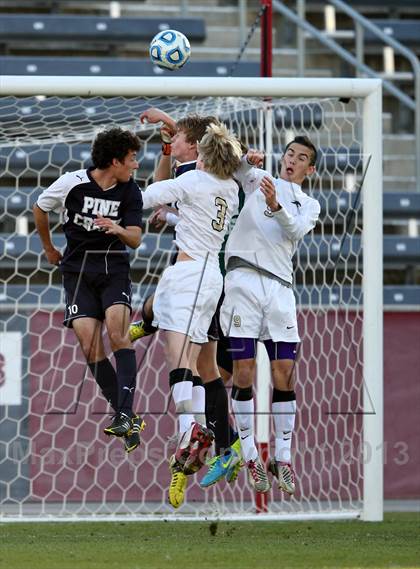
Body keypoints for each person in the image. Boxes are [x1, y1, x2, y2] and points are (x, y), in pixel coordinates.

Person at [131, 108, 244, 488]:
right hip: (211, 276)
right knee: (202, 365)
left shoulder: (194, 177)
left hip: (193, 272)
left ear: (199, 149)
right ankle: (215, 442)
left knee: (179, 357)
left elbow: (147, 196)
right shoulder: (227, 184)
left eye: (178, 137)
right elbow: (184, 201)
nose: (173, 141)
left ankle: (192, 431)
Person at [33, 127, 145, 453]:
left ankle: (123, 412)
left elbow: (136, 239)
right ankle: (128, 416)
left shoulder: (131, 192)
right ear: (114, 161)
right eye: (132, 159)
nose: (136, 165)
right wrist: (48, 248)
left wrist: (117, 228)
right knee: (89, 344)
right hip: (78, 271)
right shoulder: (73, 183)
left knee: (117, 332)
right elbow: (40, 208)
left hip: (113, 268)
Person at [220, 135, 321, 494]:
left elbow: (293, 229)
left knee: (285, 374)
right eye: (290, 153)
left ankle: (283, 458)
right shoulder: (259, 178)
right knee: (243, 372)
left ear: (310, 169)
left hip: (280, 289)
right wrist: (247, 158)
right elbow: (236, 168)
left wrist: (277, 205)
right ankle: (250, 456)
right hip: (243, 280)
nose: (292, 160)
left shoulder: (309, 204)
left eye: (301, 157)